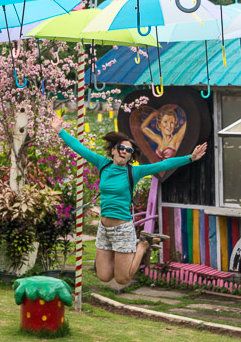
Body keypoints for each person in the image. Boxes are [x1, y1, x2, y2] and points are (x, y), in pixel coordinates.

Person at [51, 114, 206, 285]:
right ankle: (139, 247)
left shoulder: (134, 172)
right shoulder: (103, 164)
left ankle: (142, 246)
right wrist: (59, 130)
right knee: (103, 276)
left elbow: (162, 165)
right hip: (104, 229)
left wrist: (190, 157)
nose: (124, 151)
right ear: (113, 150)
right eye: (121, 148)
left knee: (123, 279)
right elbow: (79, 148)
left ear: (130, 156)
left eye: (129, 150)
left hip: (122, 229)